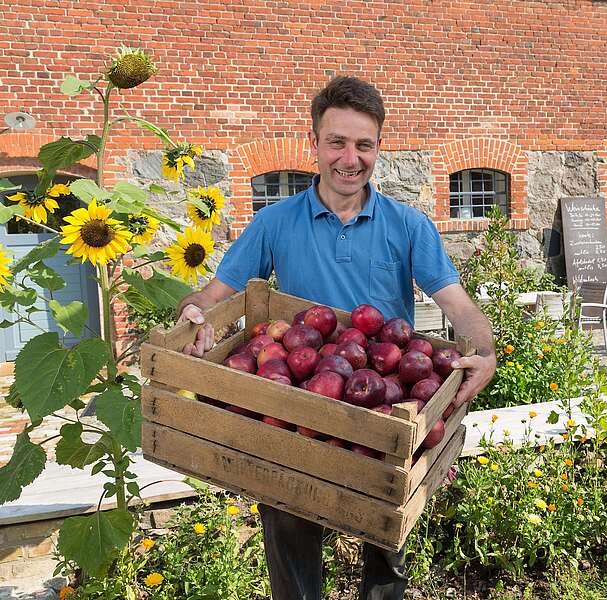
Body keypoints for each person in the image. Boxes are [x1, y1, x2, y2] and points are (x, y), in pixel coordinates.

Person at [175, 76, 497, 600]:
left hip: (385, 407)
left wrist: (484, 353)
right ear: (315, 143)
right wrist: (193, 313)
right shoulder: (274, 223)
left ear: (378, 148)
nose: (351, 158)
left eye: (364, 145)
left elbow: (456, 303)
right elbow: (217, 292)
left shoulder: (408, 225)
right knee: (292, 546)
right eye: (338, 142)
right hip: (296, 408)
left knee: (387, 552)